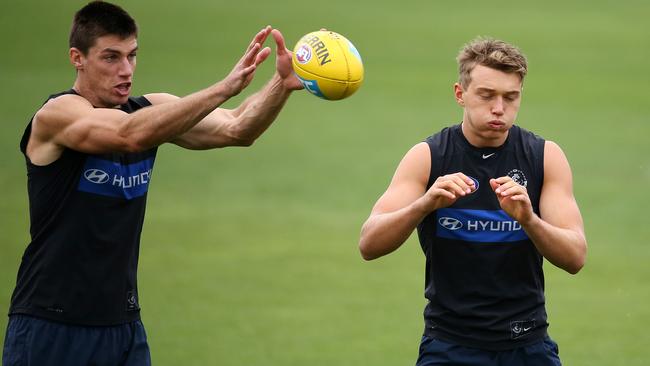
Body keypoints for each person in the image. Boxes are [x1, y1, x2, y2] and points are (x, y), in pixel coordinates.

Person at [2, 1, 302, 365]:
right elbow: (128, 135)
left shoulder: (149, 111)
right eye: (111, 58)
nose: (126, 70)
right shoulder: (57, 115)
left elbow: (237, 128)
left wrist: (280, 84)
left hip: (123, 326)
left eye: (132, 56)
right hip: (51, 324)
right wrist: (223, 88)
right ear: (77, 58)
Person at [359, 37, 587, 365]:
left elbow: (575, 257)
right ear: (460, 94)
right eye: (486, 95)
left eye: (511, 97)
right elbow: (369, 244)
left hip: (527, 343)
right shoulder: (428, 157)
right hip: (449, 346)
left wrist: (528, 220)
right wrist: (424, 205)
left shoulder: (544, 157)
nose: (499, 108)